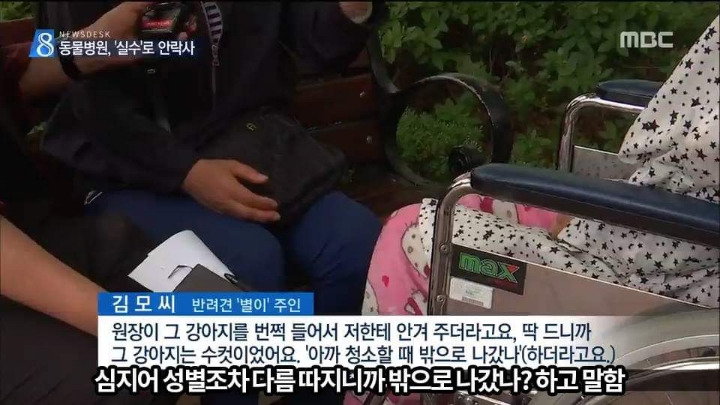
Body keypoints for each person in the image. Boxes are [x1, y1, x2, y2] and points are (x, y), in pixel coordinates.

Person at [346, 14, 720, 404]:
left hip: (661, 265)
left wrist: (594, 213)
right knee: (472, 202)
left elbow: (694, 155)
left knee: (412, 233)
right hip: (661, 233)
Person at [42, 1, 383, 320]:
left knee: (355, 243)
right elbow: (87, 99)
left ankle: (313, 361)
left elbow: (318, 47)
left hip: (251, 151)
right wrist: (186, 172)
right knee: (247, 263)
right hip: (127, 173)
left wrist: (353, 7)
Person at [1, 3, 190, 404]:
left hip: (30, 225)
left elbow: (11, 72)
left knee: (190, 290)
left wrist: (95, 43)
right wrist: (122, 324)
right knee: (119, 373)